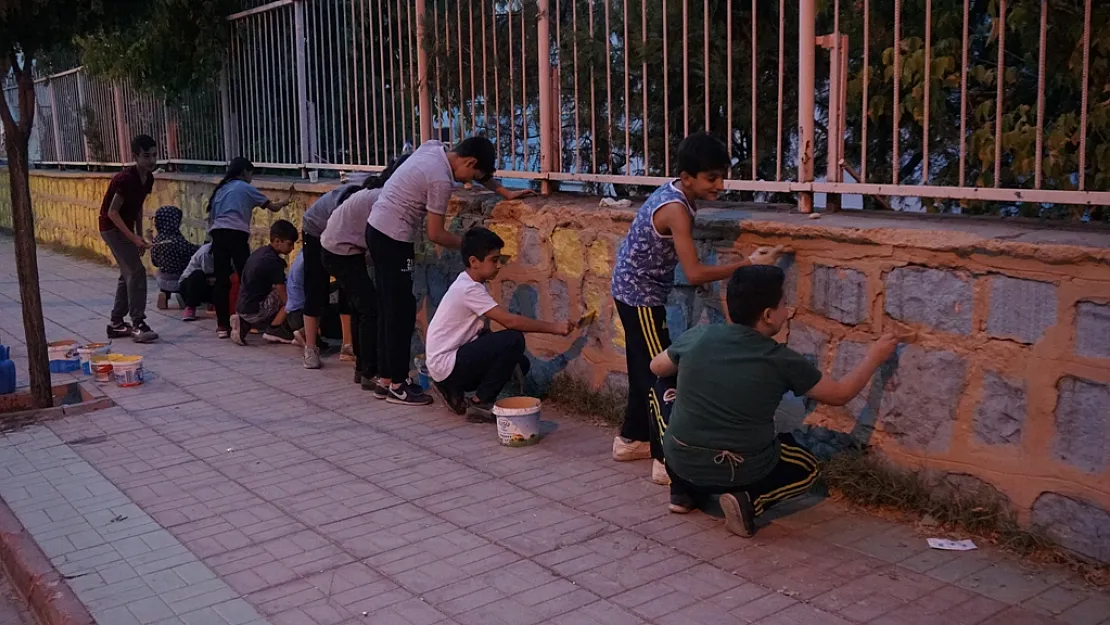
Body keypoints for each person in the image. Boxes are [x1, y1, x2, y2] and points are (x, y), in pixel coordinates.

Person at [650, 265, 901, 537]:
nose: (788, 310)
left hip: (682, 459)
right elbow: (840, 394)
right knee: (807, 468)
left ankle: (682, 491)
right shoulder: (781, 360)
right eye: (784, 304)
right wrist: (875, 356)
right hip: (739, 469)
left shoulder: (699, 335)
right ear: (768, 315)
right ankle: (749, 501)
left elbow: (656, 367)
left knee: (661, 385)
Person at [610, 132, 784, 486]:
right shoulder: (676, 209)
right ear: (687, 177)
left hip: (633, 289)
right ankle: (664, 460)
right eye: (711, 178)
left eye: (722, 176)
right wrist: (747, 265)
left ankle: (629, 441)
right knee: (661, 375)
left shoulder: (679, 193)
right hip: (639, 294)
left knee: (644, 369)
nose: (719, 185)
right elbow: (694, 273)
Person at [366, 137, 532, 406]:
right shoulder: (441, 180)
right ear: (469, 162)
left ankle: (385, 379)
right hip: (394, 239)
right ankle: (397, 384)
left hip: (376, 230)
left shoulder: (433, 148)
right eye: (473, 175)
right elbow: (436, 234)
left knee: (389, 308)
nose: (468, 182)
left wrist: (504, 192)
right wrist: (470, 247)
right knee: (400, 312)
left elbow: (477, 171)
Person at [426, 227, 574, 422]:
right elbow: (510, 321)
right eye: (493, 260)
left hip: (444, 364)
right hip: (447, 364)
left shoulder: (468, 283)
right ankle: (480, 403)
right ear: (474, 262)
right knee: (513, 339)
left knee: (520, 362)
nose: (498, 266)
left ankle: (453, 390)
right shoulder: (469, 289)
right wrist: (555, 328)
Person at [321, 154, 410, 394]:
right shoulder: (382, 198)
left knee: (363, 309)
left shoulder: (376, 194)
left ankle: (363, 368)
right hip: (340, 253)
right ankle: (369, 371)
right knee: (370, 310)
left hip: (340, 250)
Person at [207, 157, 292, 339]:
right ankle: (247, 318)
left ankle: (222, 325)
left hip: (217, 234)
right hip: (236, 234)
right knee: (246, 276)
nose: (251, 178)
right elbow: (273, 207)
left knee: (221, 280)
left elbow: (211, 217)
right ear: (245, 172)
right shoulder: (245, 187)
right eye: (251, 173)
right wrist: (285, 202)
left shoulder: (221, 189)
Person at [298, 176, 366, 369]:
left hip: (342, 233)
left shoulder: (377, 192)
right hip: (316, 230)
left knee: (350, 286)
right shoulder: (355, 200)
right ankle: (310, 348)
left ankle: (348, 345)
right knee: (316, 286)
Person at [99, 134, 159, 343]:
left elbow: (138, 208)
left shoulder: (148, 178)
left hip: (126, 228)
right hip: (111, 228)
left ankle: (116, 323)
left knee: (127, 274)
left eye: (154, 155)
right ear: (135, 156)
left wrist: (139, 235)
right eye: (146, 156)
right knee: (136, 272)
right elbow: (113, 213)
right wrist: (133, 238)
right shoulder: (124, 179)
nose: (151, 160)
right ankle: (138, 323)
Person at [230, 220, 299, 346]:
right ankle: (275, 329)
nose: (292, 248)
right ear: (277, 241)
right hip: (254, 310)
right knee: (291, 296)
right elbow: (282, 293)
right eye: (289, 244)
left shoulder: (260, 252)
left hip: (242, 306)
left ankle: (244, 322)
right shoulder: (274, 262)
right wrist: (294, 311)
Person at [150, 205, 199, 310]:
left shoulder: (156, 240)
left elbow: (154, 262)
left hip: (161, 278)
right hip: (180, 278)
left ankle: (164, 294)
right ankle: (183, 297)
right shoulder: (178, 240)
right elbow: (190, 252)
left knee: (165, 274)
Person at [179, 241, 215, 321]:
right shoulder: (206, 252)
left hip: (206, 282)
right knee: (198, 274)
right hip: (189, 284)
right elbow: (209, 274)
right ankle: (190, 307)